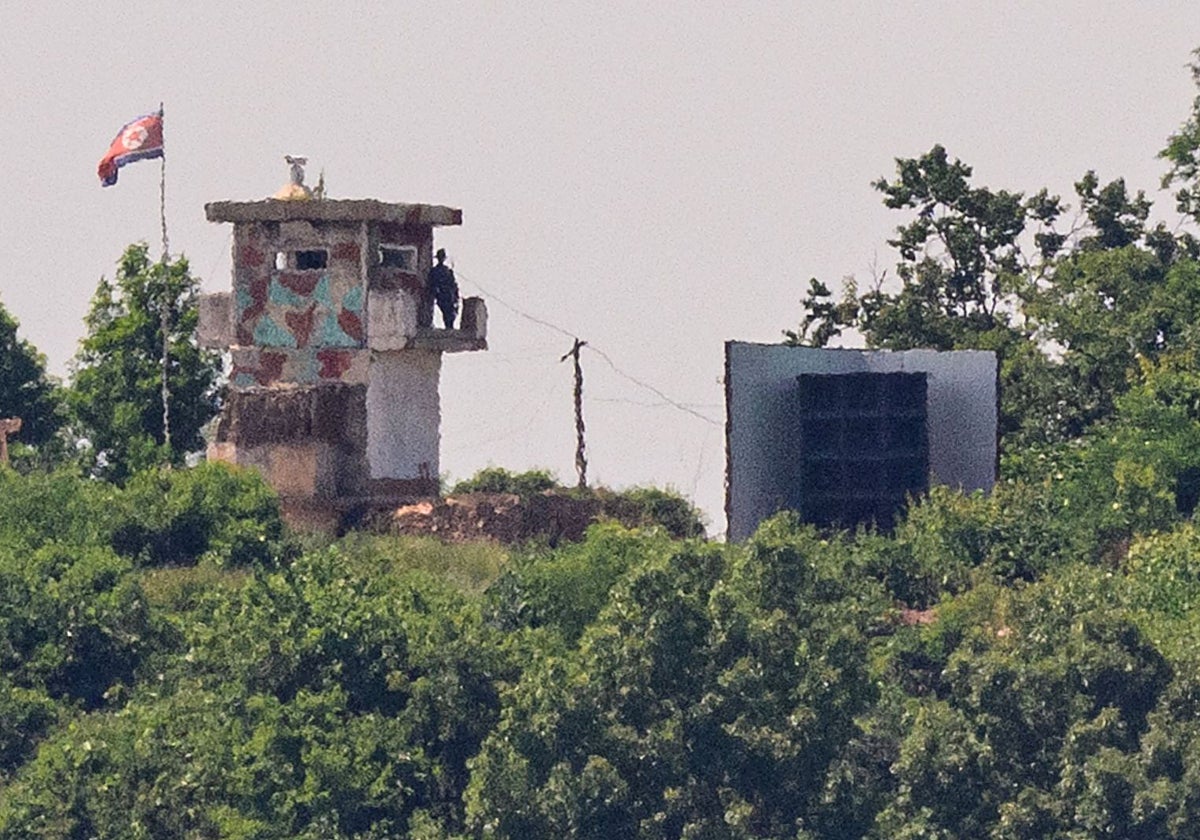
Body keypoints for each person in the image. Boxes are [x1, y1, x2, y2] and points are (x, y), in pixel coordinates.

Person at [428, 248, 459, 329]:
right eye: (440, 257)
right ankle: (449, 327)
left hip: (448, 295)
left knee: (450, 312)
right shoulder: (435, 271)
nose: (441, 259)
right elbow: (432, 283)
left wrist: (456, 296)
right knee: (446, 311)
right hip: (442, 294)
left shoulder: (447, 271)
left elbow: (453, 284)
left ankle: (449, 327)